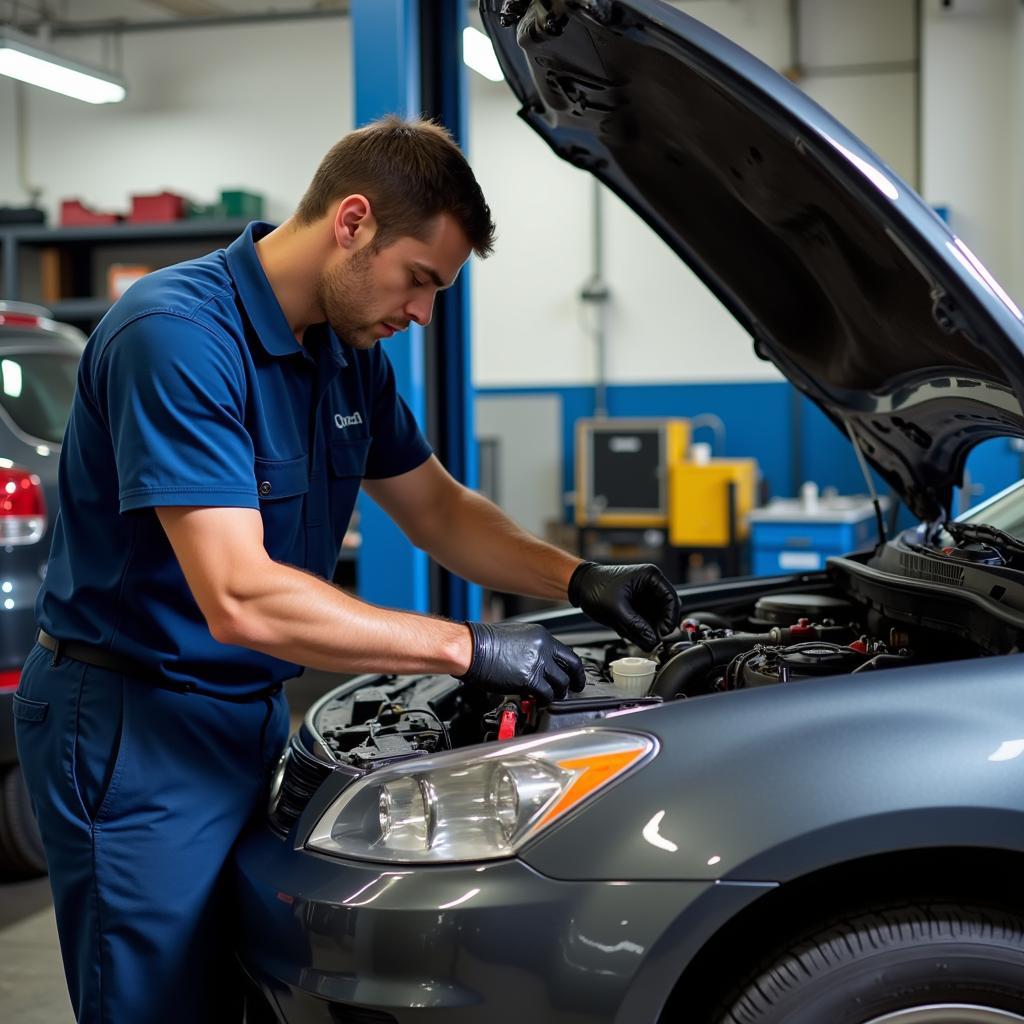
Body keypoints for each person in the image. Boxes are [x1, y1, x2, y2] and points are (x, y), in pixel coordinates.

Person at [13, 116, 680, 1023]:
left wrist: (580, 580)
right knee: (152, 1001)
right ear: (353, 221)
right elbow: (240, 595)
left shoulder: (344, 349)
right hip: (134, 725)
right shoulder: (175, 335)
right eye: (420, 279)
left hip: (243, 715)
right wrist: (464, 646)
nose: (420, 313)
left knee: (240, 988)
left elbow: (438, 509)